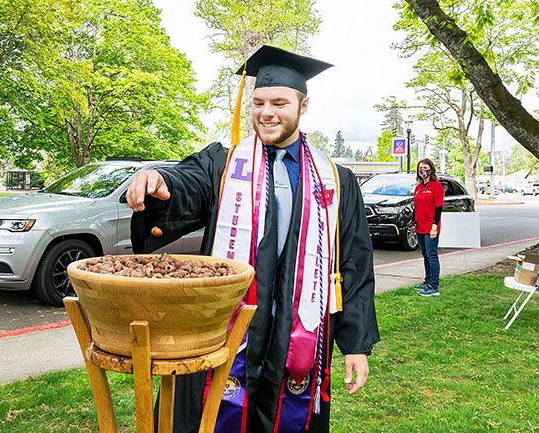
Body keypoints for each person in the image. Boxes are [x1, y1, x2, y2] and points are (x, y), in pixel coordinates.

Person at [126, 45, 379, 433]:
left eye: (279, 102)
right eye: (258, 102)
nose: (266, 112)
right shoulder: (224, 166)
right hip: (226, 329)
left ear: (303, 105)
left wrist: (356, 344)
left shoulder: (336, 181)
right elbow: (187, 184)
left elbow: (354, 267)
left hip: (297, 336)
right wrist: (164, 185)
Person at [413, 158, 444, 297]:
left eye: (425, 167)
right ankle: (427, 281)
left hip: (431, 228)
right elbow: (417, 207)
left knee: (432, 255)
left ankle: (434, 286)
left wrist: (434, 226)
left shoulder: (436, 186)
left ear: (431, 169)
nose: (422, 170)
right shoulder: (418, 188)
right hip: (420, 227)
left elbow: (438, 208)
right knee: (425, 255)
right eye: (420, 168)